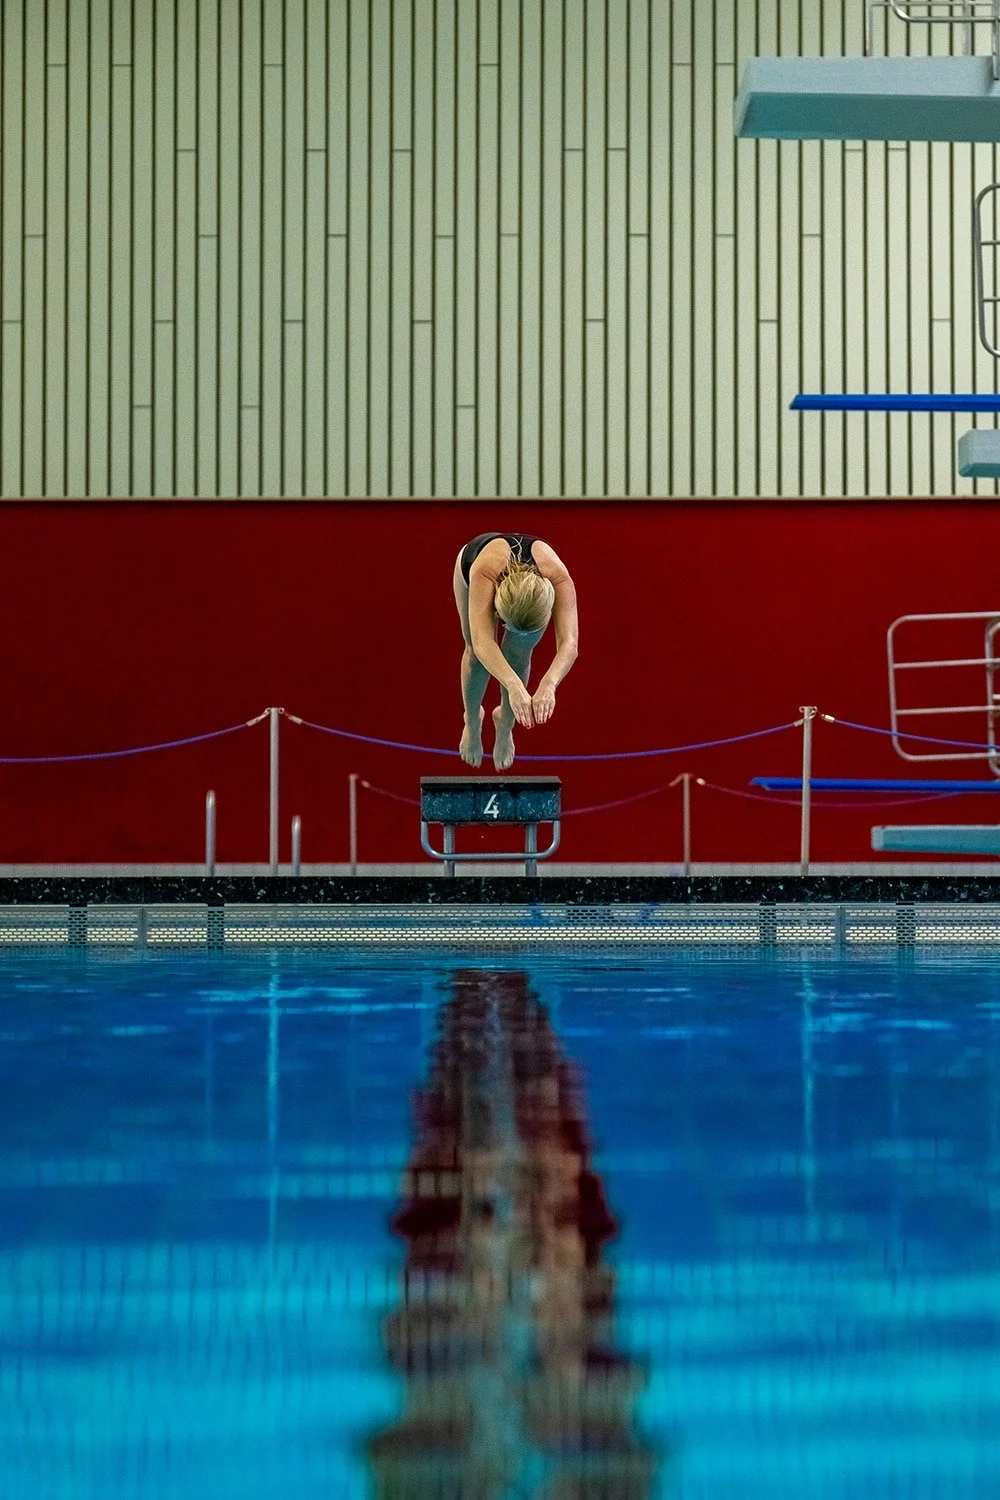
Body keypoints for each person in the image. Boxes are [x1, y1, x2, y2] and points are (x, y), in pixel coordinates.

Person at [453, 531, 578, 771]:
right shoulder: (485, 571)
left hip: (529, 585)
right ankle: (471, 720)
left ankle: (505, 722)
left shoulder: (559, 577)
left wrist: (549, 685)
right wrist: (513, 686)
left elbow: (569, 644)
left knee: (518, 657)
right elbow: (482, 643)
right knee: (475, 656)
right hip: (473, 562)